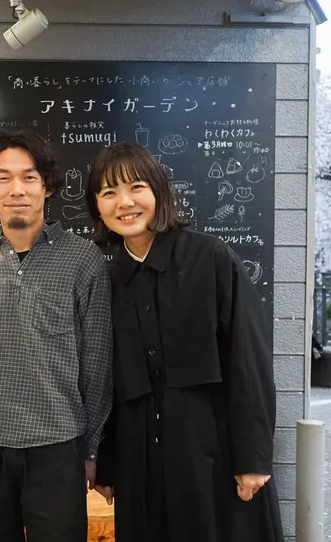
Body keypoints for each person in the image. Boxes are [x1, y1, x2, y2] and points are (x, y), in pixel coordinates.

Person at [87, 142, 283, 542]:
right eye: (109, 192)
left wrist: (253, 457)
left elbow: (247, 359)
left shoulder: (210, 258)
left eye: (136, 187)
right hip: (139, 459)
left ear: (159, 191)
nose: (124, 202)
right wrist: (107, 463)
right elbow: (106, 382)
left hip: (211, 450)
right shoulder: (107, 278)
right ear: (97, 206)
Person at [0, 129, 113, 542]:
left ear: (47, 187)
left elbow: (97, 364)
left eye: (29, 177)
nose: (17, 189)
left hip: (57, 445)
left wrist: (93, 449)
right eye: (3, 178)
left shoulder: (84, 260)